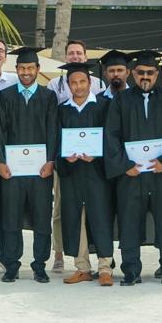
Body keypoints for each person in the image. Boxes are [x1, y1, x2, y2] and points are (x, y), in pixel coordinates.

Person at [103, 51, 162, 286]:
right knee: (129, 221)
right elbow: (111, 135)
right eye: (141, 73)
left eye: (150, 73)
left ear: (157, 74)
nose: (145, 77)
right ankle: (131, 270)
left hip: (161, 173)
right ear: (133, 74)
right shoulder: (121, 100)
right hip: (131, 174)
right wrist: (124, 165)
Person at [0, 47, 58, 283]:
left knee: (42, 217)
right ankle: (12, 264)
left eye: (30, 68)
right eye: (22, 68)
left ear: (38, 70)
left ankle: (39, 265)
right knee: (10, 218)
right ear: (16, 69)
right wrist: (0, 161)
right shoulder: (5, 96)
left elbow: (53, 131)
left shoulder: (48, 97)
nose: (26, 72)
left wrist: (51, 160)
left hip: (41, 171)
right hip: (12, 171)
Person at [56, 63, 114, 284]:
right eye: (74, 82)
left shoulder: (104, 106)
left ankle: (105, 267)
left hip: (97, 172)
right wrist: (64, 156)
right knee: (75, 217)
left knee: (100, 215)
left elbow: (111, 138)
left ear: (90, 83)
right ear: (68, 85)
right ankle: (82, 267)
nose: (78, 86)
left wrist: (97, 155)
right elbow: (57, 140)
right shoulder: (62, 110)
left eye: (82, 82)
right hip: (72, 172)